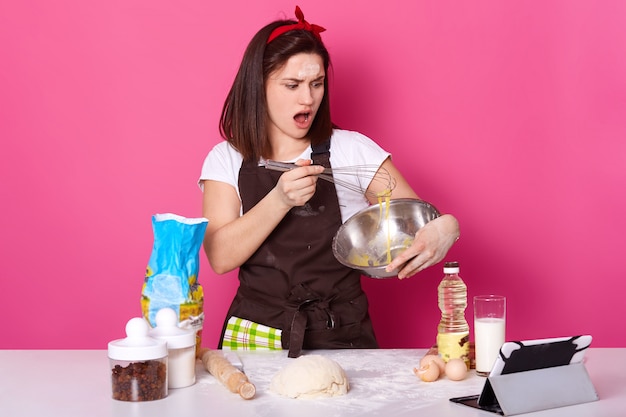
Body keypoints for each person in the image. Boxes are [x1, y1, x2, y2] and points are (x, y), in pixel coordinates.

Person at [199, 6, 459, 357]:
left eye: (317, 83)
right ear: (258, 85)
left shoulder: (352, 150)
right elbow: (219, 256)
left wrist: (447, 228)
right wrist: (280, 200)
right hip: (255, 333)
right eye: (292, 85)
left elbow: (417, 224)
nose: (308, 99)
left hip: (342, 332)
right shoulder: (226, 158)